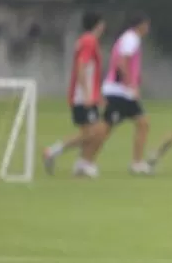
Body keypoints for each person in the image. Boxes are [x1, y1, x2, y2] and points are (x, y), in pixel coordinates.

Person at [42, 11, 106, 178]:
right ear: (99, 24)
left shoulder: (86, 40)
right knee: (93, 132)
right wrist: (87, 94)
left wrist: (97, 94)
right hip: (82, 96)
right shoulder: (89, 41)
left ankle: (82, 164)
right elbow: (81, 66)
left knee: (94, 132)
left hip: (85, 95)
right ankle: (54, 152)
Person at [94, 13, 153, 175]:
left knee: (136, 124)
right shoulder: (131, 38)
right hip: (120, 91)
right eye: (146, 25)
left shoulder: (129, 38)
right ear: (140, 25)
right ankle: (136, 163)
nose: (148, 28)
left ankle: (86, 160)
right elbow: (122, 62)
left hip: (120, 91)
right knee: (107, 128)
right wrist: (131, 84)